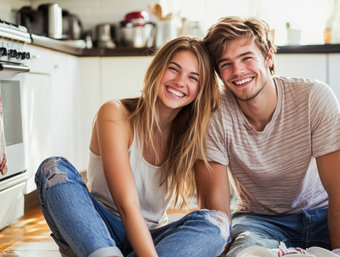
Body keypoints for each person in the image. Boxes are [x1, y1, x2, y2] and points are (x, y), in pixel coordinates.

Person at [195, 16, 340, 257]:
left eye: (247, 57)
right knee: (245, 253)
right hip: (260, 221)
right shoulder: (214, 114)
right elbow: (216, 206)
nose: (238, 71)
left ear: (269, 57)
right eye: (226, 64)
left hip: (327, 212)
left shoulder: (313, 96)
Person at [35, 37, 230, 257]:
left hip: (151, 238)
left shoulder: (192, 134)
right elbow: (127, 206)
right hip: (97, 229)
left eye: (193, 78)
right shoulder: (116, 114)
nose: (180, 81)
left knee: (218, 222)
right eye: (173, 69)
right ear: (157, 69)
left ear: (201, 90)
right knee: (53, 169)